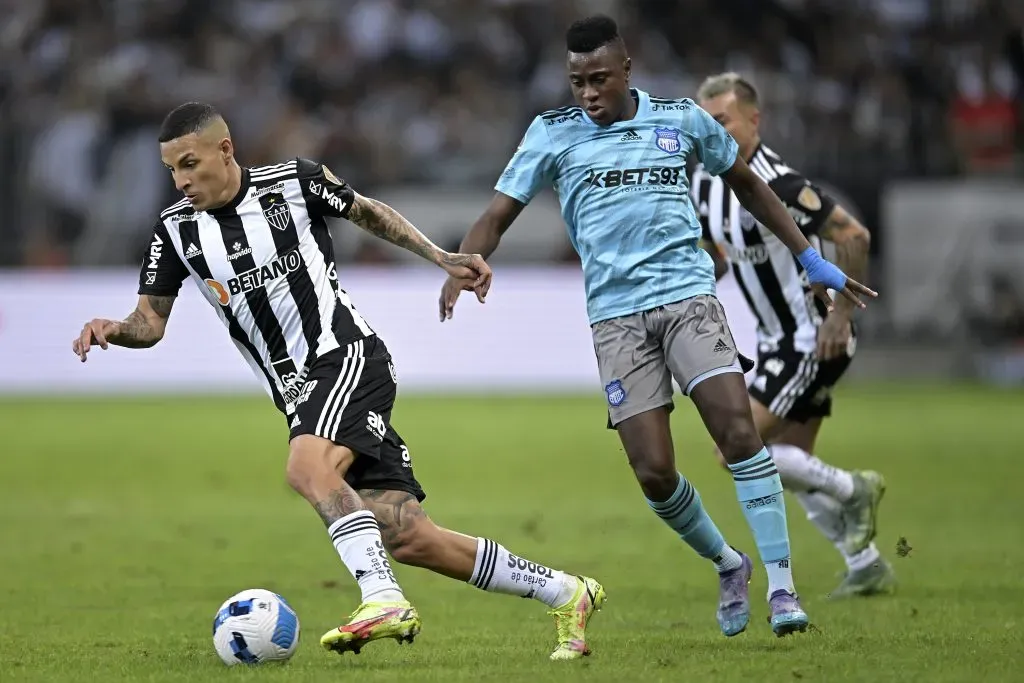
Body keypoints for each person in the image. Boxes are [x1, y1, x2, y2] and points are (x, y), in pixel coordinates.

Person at [71, 102, 605, 661]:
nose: (181, 182)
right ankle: (567, 593)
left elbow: (368, 213)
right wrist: (116, 329)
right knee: (408, 535)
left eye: (189, 164)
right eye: (171, 171)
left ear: (224, 150)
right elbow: (151, 322)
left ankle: (381, 597)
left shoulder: (294, 183)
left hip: (346, 355)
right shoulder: (175, 229)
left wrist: (441, 257)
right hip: (300, 394)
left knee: (306, 468)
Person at [440, 15, 875, 638]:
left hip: (689, 299)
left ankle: (783, 588)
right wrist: (466, 260)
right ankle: (729, 564)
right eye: (577, 82)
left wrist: (809, 258)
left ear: (626, 72)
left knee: (736, 432)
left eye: (599, 79)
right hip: (616, 321)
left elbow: (748, 185)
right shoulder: (550, 135)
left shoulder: (679, 119)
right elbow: (496, 214)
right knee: (653, 471)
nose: (588, 93)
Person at [692, 72, 895, 598]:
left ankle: (855, 489)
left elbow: (853, 234)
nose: (710, 130)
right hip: (774, 342)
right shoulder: (707, 182)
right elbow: (719, 253)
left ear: (754, 120)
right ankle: (865, 561)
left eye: (722, 121)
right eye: (703, 122)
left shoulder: (778, 183)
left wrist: (840, 316)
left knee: (735, 448)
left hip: (809, 338)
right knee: (791, 464)